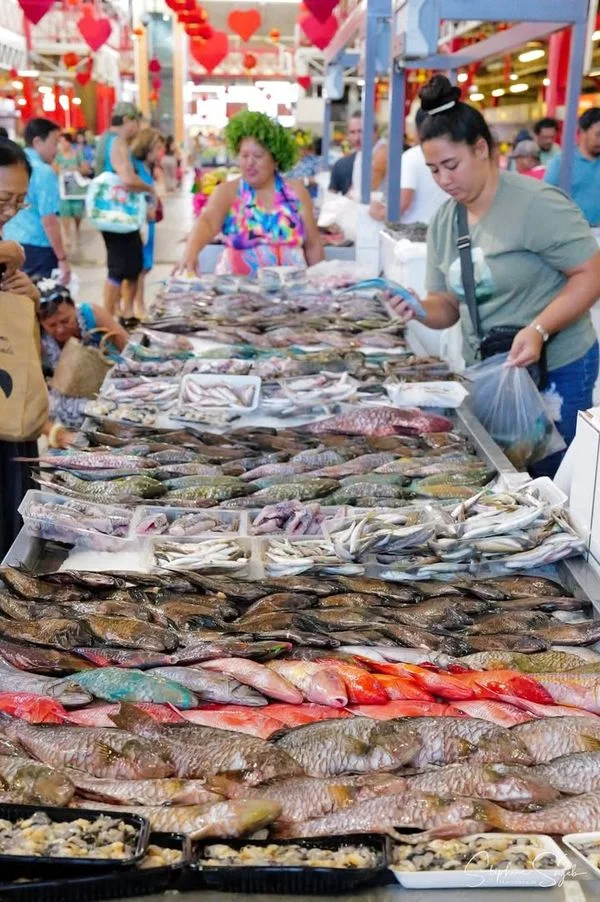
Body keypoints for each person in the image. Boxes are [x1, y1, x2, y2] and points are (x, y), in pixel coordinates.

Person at [388, 74, 600, 478]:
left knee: (554, 478)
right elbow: (447, 306)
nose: (443, 180)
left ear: (481, 148)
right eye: (433, 170)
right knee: (508, 476)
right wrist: (414, 307)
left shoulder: (535, 204)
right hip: (494, 372)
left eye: (451, 165)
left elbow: (592, 273)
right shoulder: (446, 220)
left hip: (557, 368)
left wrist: (539, 329)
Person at [176, 111, 323, 276]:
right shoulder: (228, 192)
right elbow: (208, 222)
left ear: (276, 160)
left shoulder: (295, 192)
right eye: (244, 155)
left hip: (291, 294)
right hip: (237, 295)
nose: (249, 163)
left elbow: (313, 244)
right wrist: (191, 250)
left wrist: (319, 286)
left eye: (258, 156)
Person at [0, 139, 48, 557]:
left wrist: (28, 299)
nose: (11, 212)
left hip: (11, 417)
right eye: (3, 199)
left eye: (19, 202)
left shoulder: (8, 256)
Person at [38, 280, 128, 448]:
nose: (60, 329)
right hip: (69, 410)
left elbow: (126, 347)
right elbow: (29, 396)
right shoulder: (38, 340)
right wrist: (55, 432)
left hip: (111, 393)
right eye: (52, 325)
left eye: (65, 321)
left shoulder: (91, 314)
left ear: (74, 308)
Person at [94, 102, 157, 318]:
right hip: (118, 217)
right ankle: (108, 318)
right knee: (121, 269)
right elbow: (128, 179)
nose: (138, 128)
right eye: (137, 122)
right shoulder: (117, 141)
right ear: (128, 120)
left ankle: (123, 314)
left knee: (128, 267)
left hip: (111, 215)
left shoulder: (104, 140)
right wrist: (149, 189)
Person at [3, 118, 69, 282]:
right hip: (37, 247)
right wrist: (62, 258)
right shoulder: (44, 172)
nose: (57, 150)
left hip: (15, 243)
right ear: (38, 141)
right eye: (54, 143)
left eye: (20, 200)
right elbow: (49, 219)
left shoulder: (21, 168)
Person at [369, 108, 447, 223]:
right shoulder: (451, 153)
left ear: (417, 130)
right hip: (445, 229)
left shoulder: (411, 157)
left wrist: (378, 212)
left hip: (415, 232)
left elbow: (403, 203)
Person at [129, 128, 164, 321]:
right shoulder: (135, 167)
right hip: (140, 221)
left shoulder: (146, 167)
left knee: (144, 265)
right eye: (155, 148)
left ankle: (136, 304)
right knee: (139, 266)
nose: (158, 152)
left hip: (148, 221)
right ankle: (138, 305)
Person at [544, 109, 600, 227]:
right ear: (582, 131)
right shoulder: (562, 162)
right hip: (573, 233)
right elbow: (545, 199)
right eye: (598, 134)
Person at [55, 132, 85, 248]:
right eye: (60, 141)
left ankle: (77, 231)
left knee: (77, 212)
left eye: (64, 141)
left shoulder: (77, 154)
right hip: (63, 190)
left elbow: (85, 168)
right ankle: (66, 236)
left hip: (76, 189)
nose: (62, 144)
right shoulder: (58, 155)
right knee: (65, 212)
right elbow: (54, 168)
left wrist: (75, 169)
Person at [329, 110, 362, 195]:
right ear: (347, 134)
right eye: (352, 132)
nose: (357, 138)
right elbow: (331, 196)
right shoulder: (340, 165)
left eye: (360, 131)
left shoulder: (382, 158)